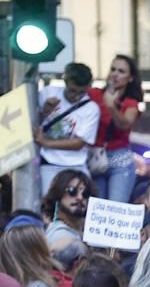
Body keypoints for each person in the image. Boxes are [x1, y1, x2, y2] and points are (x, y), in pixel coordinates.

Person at [35, 64, 102, 193]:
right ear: (65, 81)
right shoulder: (48, 93)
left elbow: (79, 143)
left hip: (76, 165)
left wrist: (45, 142)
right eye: (72, 90)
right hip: (48, 163)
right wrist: (45, 112)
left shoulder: (91, 109)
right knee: (48, 204)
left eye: (81, 92)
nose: (76, 96)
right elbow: (32, 123)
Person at [89, 55, 143, 203]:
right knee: (97, 209)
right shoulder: (94, 94)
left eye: (121, 71)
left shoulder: (130, 102)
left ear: (130, 78)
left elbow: (124, 124)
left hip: (120, 162)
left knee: (116, 208)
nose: (115, 74)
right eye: (113, 69)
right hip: (96, 158)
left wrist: (112, 106)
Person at [41, 170, 92, 255]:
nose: (80, 197)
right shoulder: (58, 234)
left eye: (85, 193)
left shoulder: (85, 234)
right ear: (58, 194)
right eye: (72, 191)